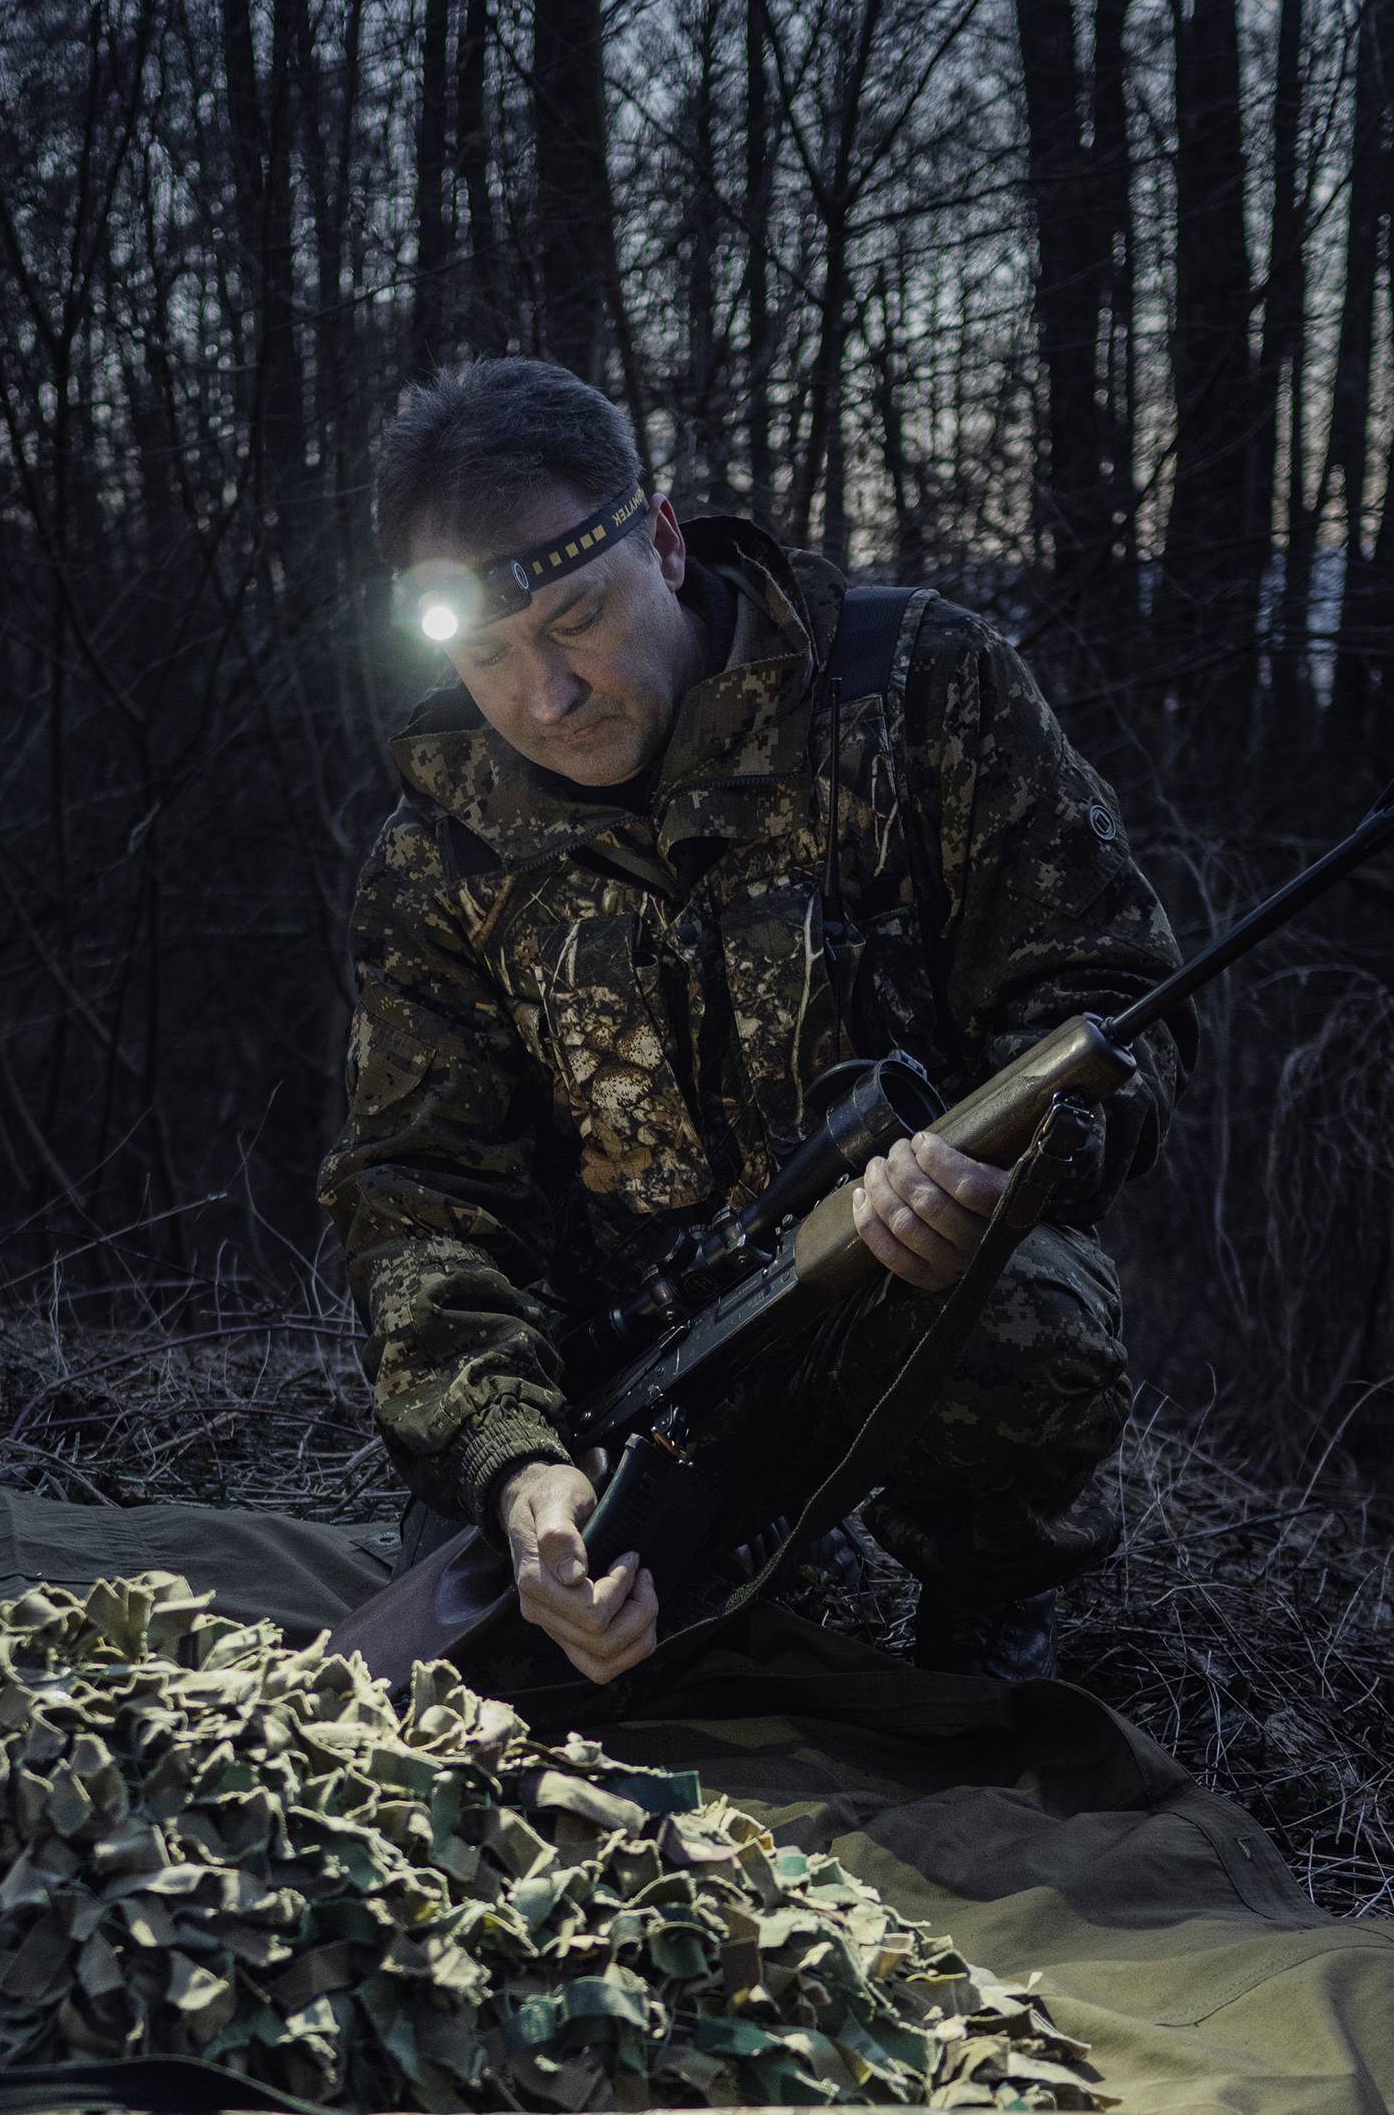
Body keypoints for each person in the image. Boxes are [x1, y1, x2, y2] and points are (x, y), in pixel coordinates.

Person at [320, 357, 1193, 1687]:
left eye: (579, 617)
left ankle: (982, 1621)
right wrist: (520, 1461)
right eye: (489, 657)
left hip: (893, 1295)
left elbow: (1112, 997)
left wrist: (999, 1169)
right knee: (509, 1650)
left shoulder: (917, 687)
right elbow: (418, 1206)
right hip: (625, 1380)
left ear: (662, 541)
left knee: (1027, 1318)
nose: (545, 695)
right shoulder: (438, 849)